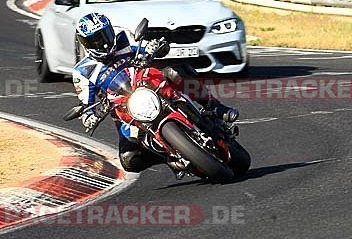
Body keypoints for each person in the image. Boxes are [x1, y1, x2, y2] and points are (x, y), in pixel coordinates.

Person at [72, 12, 238, 174]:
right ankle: (173, 155)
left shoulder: (124, 40)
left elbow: (152, 48)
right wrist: (93, 116)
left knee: (175, 72)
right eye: (95, 40)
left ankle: (216, 107)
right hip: (124, 109)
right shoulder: (83, 72)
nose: (103, 43)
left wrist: (156, 47)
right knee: (129, 160)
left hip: (150, 84)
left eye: (105, 35)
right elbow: (86, 109)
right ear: (85, 44)